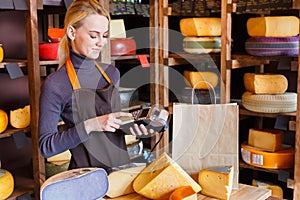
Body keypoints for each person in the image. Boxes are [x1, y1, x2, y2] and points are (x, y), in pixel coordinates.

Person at [38, 0, 151, 172]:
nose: (101, 42)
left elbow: (112, 127)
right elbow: (46, 146)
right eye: (93, 35)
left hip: (120, 174)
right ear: (72, 32)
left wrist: (134, 127)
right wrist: (91, 125)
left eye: (104, 35)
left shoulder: (112, 73)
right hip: (86, 178)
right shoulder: (56, 84)